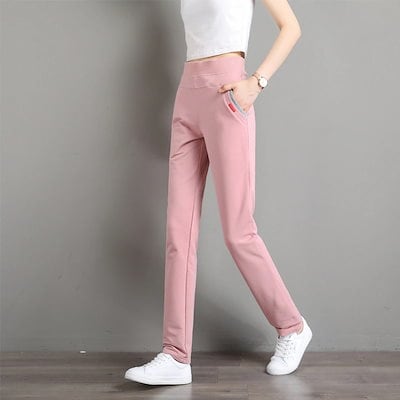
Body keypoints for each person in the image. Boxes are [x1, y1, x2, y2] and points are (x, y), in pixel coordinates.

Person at [125, 0, 312, 385]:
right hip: (187, 94)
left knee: (238, 232)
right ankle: (176, 355)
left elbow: (291, 26)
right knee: (178, 235)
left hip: (227, 94)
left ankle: (292, 327)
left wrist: (256, 82)